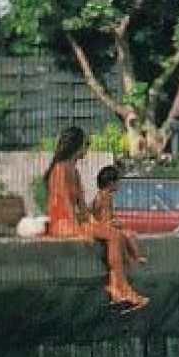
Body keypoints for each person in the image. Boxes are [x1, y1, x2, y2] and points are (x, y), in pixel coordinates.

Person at [42, 126, 149, 311]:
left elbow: (83, 209)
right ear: (76, 145)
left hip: (75, 222)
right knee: (114, 236)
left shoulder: (74, 171)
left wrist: (97, 225)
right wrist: (80, 231)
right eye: (86, 144)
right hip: (62, 224)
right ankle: (119, 288)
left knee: (116, 234)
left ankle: (118, 288)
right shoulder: (60, 169)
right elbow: (66, 207)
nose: (87, 149)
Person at [89, 165, 146, 267]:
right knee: (127, 236)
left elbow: (95, 212)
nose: (119, 184)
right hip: (105, 227)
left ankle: (132, 259)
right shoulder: (105, 196)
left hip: (102, 226)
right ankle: (134, 259)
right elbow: (105, 219)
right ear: (111, 183)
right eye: (117, 181)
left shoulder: (101, 195)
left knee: (126, 234)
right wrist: (114, 223)